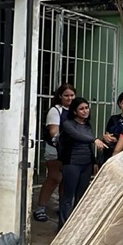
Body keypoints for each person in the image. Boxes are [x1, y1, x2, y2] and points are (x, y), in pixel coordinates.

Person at [57, 97, 106, 228]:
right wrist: (94, 139)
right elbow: (77, 136)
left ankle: (77, 226)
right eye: (81, 109)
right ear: (74, 111)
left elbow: (88, 145)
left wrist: (94, 162)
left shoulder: (87, 125)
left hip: (86, 164)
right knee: (68, 196)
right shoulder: (68, 124)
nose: (85, 111)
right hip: (72, 163)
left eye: (86, 108)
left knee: (81, 197)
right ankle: (63, 227)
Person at [34, 83, 76, 222]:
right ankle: (40, 208)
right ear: (60, 96)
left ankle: (63, 208)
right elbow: (53, 132)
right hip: (55, 149)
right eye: (66, 95)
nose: (69, 98)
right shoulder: (55, 111)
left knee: (66, 179)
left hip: (71, 151)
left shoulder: (75, 110)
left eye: (72, 95)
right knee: (54, 178)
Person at [101, 91, 123, 164]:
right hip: (111, 154)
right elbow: (107, 134)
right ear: (119, 104)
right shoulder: (114, 118)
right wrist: (106, 138)